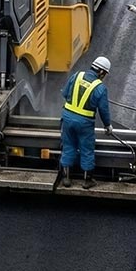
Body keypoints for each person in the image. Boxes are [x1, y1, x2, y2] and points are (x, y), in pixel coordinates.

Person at [59, 55, 113, 190]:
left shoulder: (77, 76)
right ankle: (87, 180)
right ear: (101, 72)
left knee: (68, 145)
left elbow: (65, 94)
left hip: (67, 118)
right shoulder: (100, 88)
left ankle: (66, 178)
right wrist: (108, 126)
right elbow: (103, 110)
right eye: (105, 74)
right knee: (86, 149)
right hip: (84, 123)